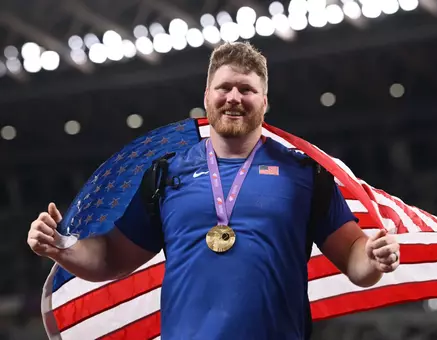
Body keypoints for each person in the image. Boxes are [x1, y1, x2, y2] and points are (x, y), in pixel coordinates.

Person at [27, 42, 400, 340]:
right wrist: (61, 245)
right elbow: (110, 259)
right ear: (207, 97)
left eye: (247, 89)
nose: (234, 97)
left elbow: (354, 261)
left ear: (264, 101)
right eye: (225, 87)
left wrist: (372, 256)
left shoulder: (304, 174)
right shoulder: (166, 174)